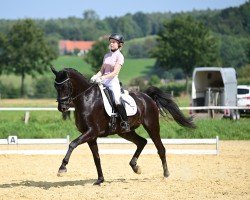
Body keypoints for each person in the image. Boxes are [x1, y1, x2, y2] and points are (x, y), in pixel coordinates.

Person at [90, 33, 130, 132]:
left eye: (114, 42)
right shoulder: (106, 56)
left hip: (112, 82)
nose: (111, 44)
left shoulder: (120, 56)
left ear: (119, 44)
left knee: (117, 100)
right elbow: (102, 70)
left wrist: (102, 77)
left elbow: (114, 72)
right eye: (111, 42)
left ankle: (125, 122)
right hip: (102, 81)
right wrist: (96, 76)